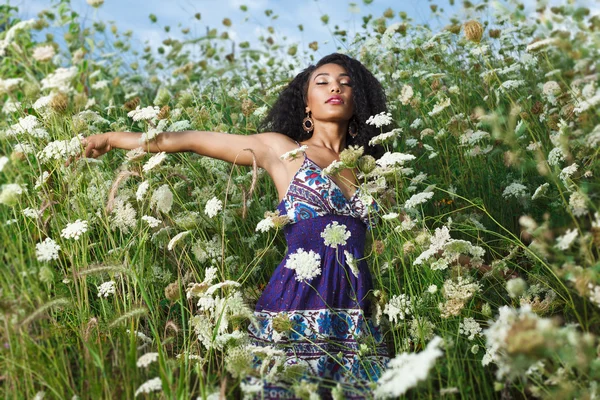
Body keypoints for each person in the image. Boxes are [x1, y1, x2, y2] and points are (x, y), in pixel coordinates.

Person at [80, 53, 391, 399]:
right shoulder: (283, 151)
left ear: (357, 100)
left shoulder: (370, 169)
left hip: (356, 314)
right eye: (322, 81)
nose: (335, 85)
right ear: (306, 104)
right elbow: (192, 140)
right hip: (296, 308)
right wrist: (114, 138)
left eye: (345, 82)